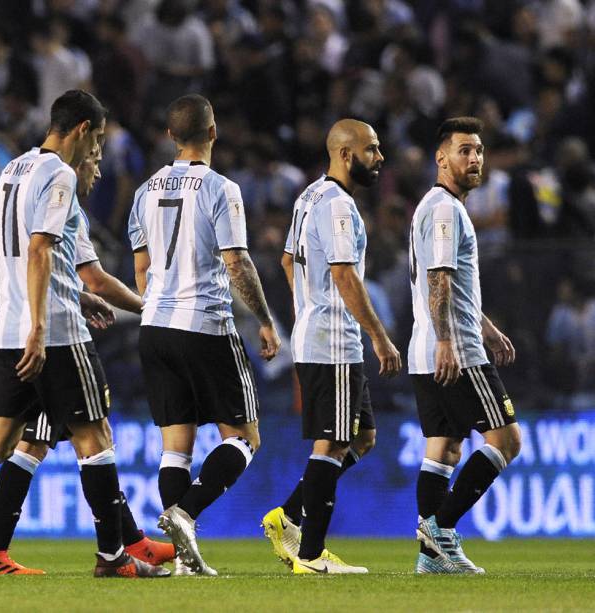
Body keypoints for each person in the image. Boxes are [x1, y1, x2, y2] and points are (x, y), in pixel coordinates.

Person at [0, 90, 169, 579]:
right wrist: (41, 326)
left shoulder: (11, 171)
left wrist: (50, 310)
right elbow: (40, 249)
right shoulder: (59, 174)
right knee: (96, 438)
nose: (97, 151)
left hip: (8, 326)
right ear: (82, 129)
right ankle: (114, 556)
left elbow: (34, 256)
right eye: (98, 139)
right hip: (52, 332)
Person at [0, 144, 175, 576]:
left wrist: (80, 300)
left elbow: (83, 279)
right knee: (84, 438)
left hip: (24, 331)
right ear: (78, 153)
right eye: (95, 160)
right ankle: (116, 553)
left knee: (35, 443)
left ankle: (128, 542)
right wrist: (151, 308)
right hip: (51, 338)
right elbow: (93, 277)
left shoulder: (25, 182)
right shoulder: (59, 187)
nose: (98, 171)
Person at [129, 94, 280, 576]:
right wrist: (264, 317)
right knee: (245, 438)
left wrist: (159, 304)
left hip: (154, 325)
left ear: (171, 137)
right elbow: (236, 262)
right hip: (205, 324)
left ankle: (182, 561)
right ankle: (185, 513)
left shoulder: (144, 191)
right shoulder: (221, 189)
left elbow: (142, 269)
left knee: (176, 446)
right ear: (214, 133)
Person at [263, 119, 401, 575]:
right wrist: (379, 337)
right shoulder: (339, 206)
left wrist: (306, 305)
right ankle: (311, 555)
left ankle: (286, 515)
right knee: (334, 442)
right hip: (334, 341)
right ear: (346, 153)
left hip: (316, 333)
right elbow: (343, 275)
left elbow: (287, 261)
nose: (379, 158)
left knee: (363, 437)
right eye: (372, 149)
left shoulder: (308, 197)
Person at [408, 117, 521, 574]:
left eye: (478, 150)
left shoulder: (437, 206)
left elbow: (453, 287)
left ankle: (431, 559)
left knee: (444, 448)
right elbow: (439, 278)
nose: (473, 159)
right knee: (507, 440)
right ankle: (439, 529)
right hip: (455, 351)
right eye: (463, 150)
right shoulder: (444, 210)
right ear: (441, 158)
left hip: (428, 348)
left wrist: (487, 327)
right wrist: (449, 340)